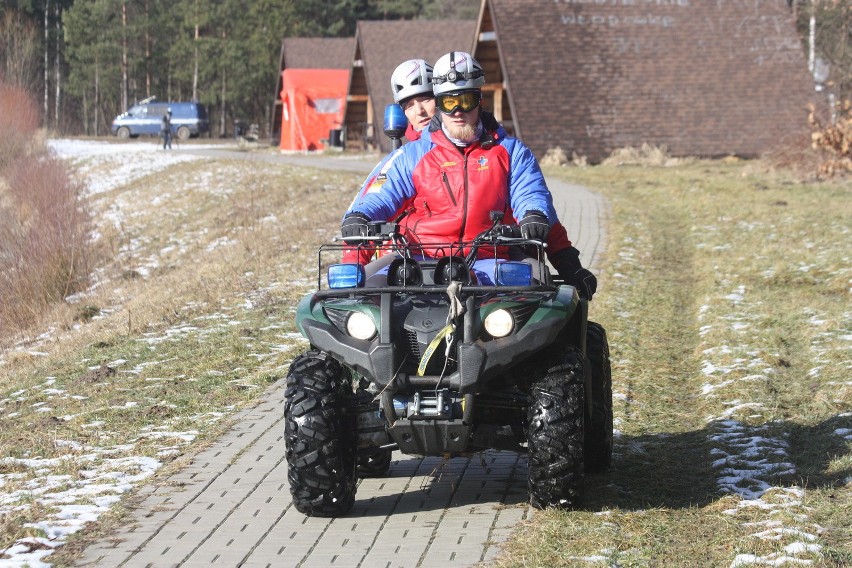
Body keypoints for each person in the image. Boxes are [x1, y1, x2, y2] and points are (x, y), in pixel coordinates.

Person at [341, 52, 596, 299]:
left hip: (490, 257)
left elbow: (531, 194)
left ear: (479, 100)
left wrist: (537, 221)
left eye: (466, 100)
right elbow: (380, 194)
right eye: (448, 102)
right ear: (440, 105)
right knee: (363, 299)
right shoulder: (411, 155)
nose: (458, 111)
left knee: (540, 301)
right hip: (419, 259)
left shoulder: (511, 152)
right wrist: (360, 216)